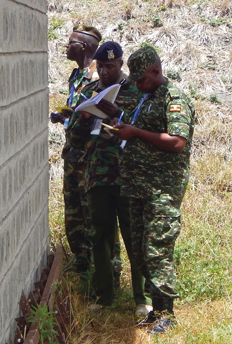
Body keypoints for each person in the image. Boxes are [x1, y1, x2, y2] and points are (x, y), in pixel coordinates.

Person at [112, 46, 195, 333]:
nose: (137, 84)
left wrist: (134, 132)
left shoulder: (174, 99)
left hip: (162, 190)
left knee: (157, 250)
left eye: (141, 79)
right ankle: (155, 310)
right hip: (139, 188)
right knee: (140, 250)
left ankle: (166, 315)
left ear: (156, 71)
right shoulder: (147, 98)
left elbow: (177, 142)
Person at [68, 42, 151, 312]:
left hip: (127, 176)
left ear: (121, 66)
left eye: (110, 67)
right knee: (100, 236)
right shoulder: (89, 92)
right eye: (101, 66)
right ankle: (104, 297)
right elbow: (75, 138)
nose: (104, 72)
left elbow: (146, 128)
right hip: (97, 176)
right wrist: (83, 115)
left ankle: (142, 299)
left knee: (133, 236)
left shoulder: (136, 93)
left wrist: (118, 114)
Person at [49, 25, 102, 272]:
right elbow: (80, 110)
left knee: (92, 213)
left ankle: (102, 268)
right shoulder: (77, 75)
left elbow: (97, 116)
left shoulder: (97, 77)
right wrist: (65, 115)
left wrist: (71, 119)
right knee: (73, 214)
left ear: (83, 47)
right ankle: (81, 263)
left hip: (89, 158)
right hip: (72, 155)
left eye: (70, 42)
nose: (66, 46)